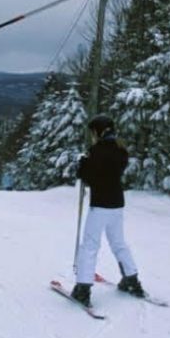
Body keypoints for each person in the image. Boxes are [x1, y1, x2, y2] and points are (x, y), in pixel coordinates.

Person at [72, 113, 144, 307]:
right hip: (117, 204)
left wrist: (82, 166)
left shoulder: (97, 151)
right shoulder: (121, 150)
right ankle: (131, 279)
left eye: (93, 132)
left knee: (89, 245)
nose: (92, 136)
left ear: (99, 131)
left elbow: (91, 178)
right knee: (119, 243)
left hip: (101, 204)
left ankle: (83, 288)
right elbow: (108, 172)